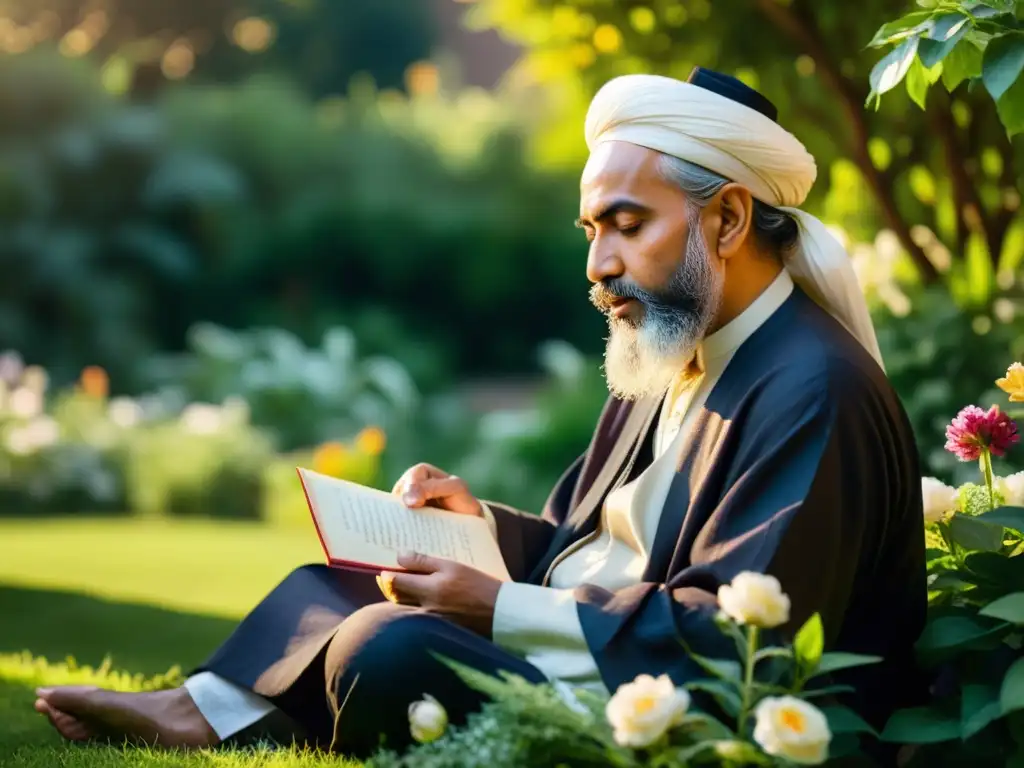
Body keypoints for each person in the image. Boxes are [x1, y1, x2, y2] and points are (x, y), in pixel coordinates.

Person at [33, 68, 927, 762]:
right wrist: (484, 532)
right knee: (348, 582)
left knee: (390, 649)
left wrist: (499, 608)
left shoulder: (814, 387)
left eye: (625, 224)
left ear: (729, 218)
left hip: (694, 714)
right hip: (606, 647)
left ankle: (248, 721)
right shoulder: (670, 353)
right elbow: (579, 553)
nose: (598, 265)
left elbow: (736, 644)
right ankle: (207, 710)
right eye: (591, 232)